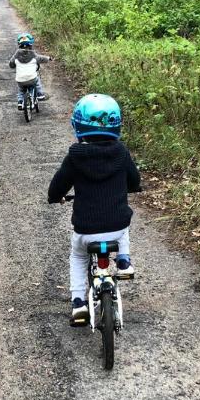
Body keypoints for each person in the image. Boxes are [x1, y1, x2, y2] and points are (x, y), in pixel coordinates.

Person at [48, 93, 141, 326]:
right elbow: (134, 178)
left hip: (86, 229)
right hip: (116, 229)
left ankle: (78, 302)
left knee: (78, 257)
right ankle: (123, 260)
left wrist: (55, 197)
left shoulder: (75, 157)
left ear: (78, 125)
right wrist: (133, 187)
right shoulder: (121, 153)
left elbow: (59, 184)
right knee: (124, 223)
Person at [8, 33, 51, 110]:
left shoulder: (16, 55)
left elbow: (11, 64)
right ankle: (40, 94)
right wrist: (48, 58)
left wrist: (13, 64)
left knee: (21, 90)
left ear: (19, 44)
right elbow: (41, 58)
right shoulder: (33, 55)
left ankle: (20, 102)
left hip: (20, 80)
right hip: (31, 79)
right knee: (36, 79)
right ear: (31, 45)